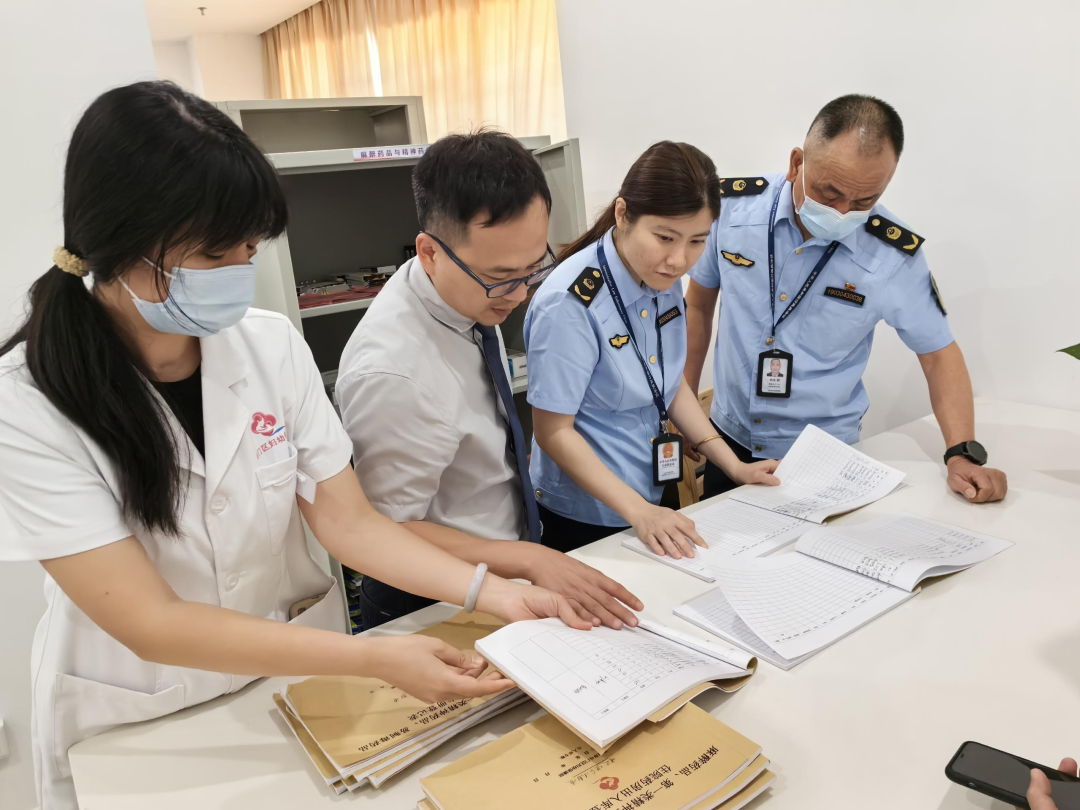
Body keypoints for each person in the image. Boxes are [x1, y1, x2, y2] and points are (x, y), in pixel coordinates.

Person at [0, 82, 590, 810]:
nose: (239, 270)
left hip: (288, 681)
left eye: (249, 248)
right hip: (140, 710)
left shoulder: (270, 345)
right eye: (214, 252)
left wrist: (496, 592)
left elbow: (349, 522)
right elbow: (150, 622)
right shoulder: (26, 401)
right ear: (118, 240)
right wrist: (374, 657)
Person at [335, 130, 643, 631]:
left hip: (503, 568)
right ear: (429, 253)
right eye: (501, 277)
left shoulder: (468, 297)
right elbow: (385, 532)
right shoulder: (394, 372)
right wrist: (529, 559)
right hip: (430, 599)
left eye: (533, 268)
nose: (519, 295)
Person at [684, 94, 1008, 503]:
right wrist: (685, 408)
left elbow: (939, 354)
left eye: (863, 201)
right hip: (728, 441)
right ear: (797, 164)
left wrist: (962, 454)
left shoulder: (893, 255)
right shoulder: (732, 211)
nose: (841, 212)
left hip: (825, 455)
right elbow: (697, 307)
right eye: (829, 192)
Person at [525, 142, 780, 556]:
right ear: (623, 214)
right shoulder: (569, 303)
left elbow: (668, 383)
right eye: (665, 237)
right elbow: (553, 432)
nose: (679, 260)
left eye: (697, 241)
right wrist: (639, 511)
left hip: (652, 492)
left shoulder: (660, 278)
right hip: (588, 513)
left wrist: (734, 466)